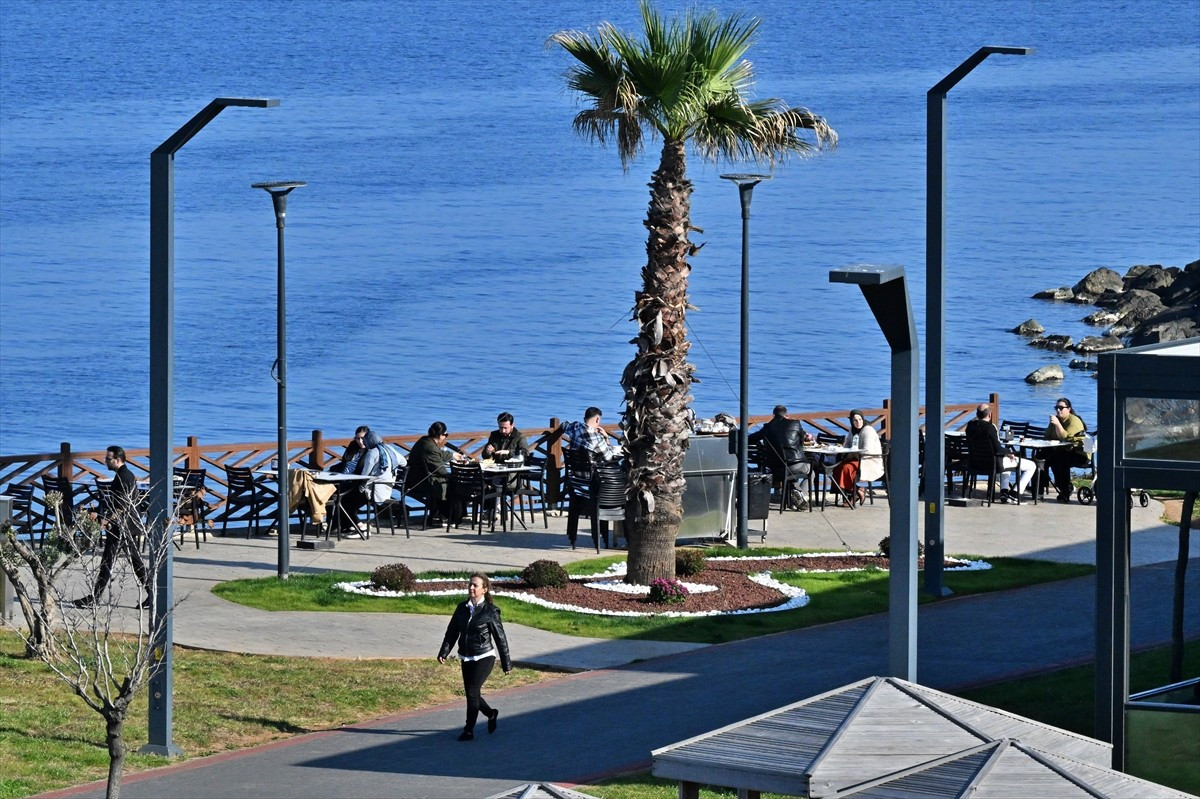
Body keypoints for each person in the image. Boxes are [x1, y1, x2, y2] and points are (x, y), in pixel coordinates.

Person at [437, 572, 512, 741]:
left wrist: (506, 663)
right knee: (473, 694)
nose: (471, 587)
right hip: (466, 656)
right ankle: (491, 713)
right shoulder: (461, 608)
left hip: (484, 656)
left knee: (471, 693)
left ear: (484, 589)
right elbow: (452, 632)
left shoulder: (490, 611)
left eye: (475, 585)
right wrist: (444, 651)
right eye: (470, 584)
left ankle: (468, 730)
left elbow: (501, 638)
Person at [73, 446, 149, 608]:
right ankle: (152, 593)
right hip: (124, 525)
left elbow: (121, 506)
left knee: (110, 562)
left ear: (118, 460)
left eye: (108, 459)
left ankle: (94, 598)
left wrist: (106, 520)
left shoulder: (124, 477)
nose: (105, 461)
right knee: (129, 561)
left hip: (123, 526)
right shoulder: (124, 475)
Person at [965, 403, 1036, 503]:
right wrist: (1010, 452)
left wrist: (1006, 453)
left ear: (977, 414)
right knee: (1031, 465)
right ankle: (1015, 493)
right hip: (993, 464)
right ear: (989, 415)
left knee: (1007, 460)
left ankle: (1004, 492)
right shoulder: (990, 428)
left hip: (976, 463)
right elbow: (998, 449)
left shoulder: (970, 426)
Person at [748, 405, 814, 509]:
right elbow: (801, 443)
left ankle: (796, 496)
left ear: (773, 415)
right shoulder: (796, 423)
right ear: (786, 415)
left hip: (775, 468)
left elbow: (751, 438)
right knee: (811, 471)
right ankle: (803, 496)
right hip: (794, 464)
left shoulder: (767, 427)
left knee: (789, 474)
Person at [407, 421, 469, 522]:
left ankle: (445, 513)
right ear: (440, 435)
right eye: (446, 435)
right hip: (423, 483)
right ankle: (453, 515)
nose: (445, 437)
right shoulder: (431, 448)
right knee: (457, 484)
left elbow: (438, 453)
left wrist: (452, 455)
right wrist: (455, 474)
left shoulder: (424, 440)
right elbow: (441, 470)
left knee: (454, 483)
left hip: (414, 478)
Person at [831, 410, 883, 507]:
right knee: (837, 467)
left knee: (846, 468)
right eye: (855, 420)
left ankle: (855, 493)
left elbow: (868, 450)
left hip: (869, 460)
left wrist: (852, 453)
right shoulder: (852, 430)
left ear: (863, 419)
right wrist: (841, 449)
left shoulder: (868, 430)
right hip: (857, 458)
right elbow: (847, 444)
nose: (858, 422)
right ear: (851, 421)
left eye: (860, 419)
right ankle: (854, 492)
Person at [1043, 397, 1090, 502]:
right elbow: (1047, 436)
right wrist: (1054, 426)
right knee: (1042, 458)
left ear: (1068, 409)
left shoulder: (1074, 421)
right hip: (1064, 451)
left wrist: (1058, 425)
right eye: (1056, 408)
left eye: (1061, 408)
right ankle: (1039, 488)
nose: (1058, 410)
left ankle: (1066, 489)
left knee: (1059, 461)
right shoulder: (1055, 420)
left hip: (1080, 453)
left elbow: (1066, 439)